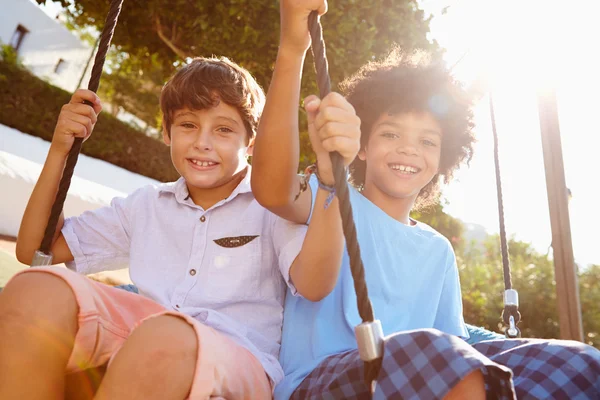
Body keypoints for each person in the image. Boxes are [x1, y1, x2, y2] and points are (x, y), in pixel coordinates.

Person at [251, 1, 600, 399]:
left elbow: (457, 339)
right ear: (361, 146)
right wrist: (292, 48)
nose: (409, 150)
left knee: (579, 362)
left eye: (427, 141)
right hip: (322, 381)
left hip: (424, 372)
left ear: (442, 158)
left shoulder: (437, 251)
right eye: (391, 134)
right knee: (436, 353)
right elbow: (271, 188)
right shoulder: (329, 196)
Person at [0, 56, 344, 400]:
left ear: (252, 143)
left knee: (165, 336)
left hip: (236, 360)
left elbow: (313, 285)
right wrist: (61, 147)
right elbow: (36, 250)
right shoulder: (147, 204)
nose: (202, 142)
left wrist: (330, 183)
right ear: (166, 132)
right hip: (146, 333)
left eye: (223, 129)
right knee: (36, 288)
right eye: (188, 125)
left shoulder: (272, 206)